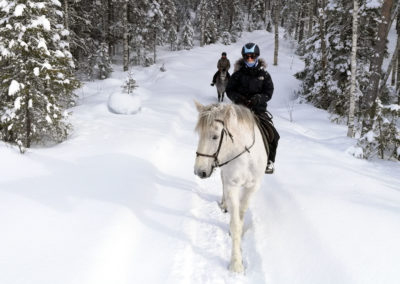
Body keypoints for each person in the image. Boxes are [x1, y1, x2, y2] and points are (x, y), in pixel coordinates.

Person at [225, 42, 280, 174]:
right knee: (224, 130)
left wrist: (259, 98)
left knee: (274, 135)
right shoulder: (237, 74)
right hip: (240, 110)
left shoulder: (264, 75)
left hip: (258, 111)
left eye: (252, 56)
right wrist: (239, 98)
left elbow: (269, 92)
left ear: (257, 56)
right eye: (247, 56)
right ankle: (222, 158)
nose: (250, 59)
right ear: (243, 57)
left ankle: (269, 162)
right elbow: (229, 90)